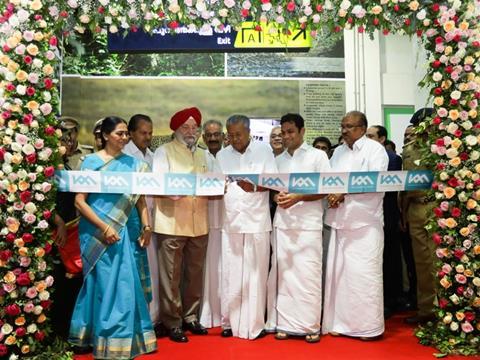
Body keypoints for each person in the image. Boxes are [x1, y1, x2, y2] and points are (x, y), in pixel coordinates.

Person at [69, 116, 156, 359]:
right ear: (106, 136)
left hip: (123, 231)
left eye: (127, 133)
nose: (125, 138)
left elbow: (140, 200)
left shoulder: (134, 164)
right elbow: (79, 202)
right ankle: (92, 336)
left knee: (123, 284)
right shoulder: (90, 163)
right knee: (98, 283)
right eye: (119, 134)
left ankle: (119, 338)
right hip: (96, 232)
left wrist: (147, 227)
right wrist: (103, 227)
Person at [323, 111, 388, 340]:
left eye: (349, 127)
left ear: (362, 128)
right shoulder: (338, 152)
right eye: (342, 126)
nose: (344, 131)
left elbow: (376, 182)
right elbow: (329, 178)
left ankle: (368, 328)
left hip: (365, 223)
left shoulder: (375, 150)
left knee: (365, 276)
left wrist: (344, 192)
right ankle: (342, 324)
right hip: (341, 221)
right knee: (341, 276)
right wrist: (332, 193)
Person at [266, 114, 330, 343]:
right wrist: (277, 197)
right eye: (283, 132)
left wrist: (298, 197)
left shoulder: (318, 156)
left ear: (302, 131)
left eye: (290, 131)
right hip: (283, 225)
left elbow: (326, 189)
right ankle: (284, 324)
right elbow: (272, 190)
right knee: (284, 274)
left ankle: (311, 325)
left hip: (309, 225)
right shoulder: (278, 160)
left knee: (309, 275)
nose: (286, 136)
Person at [216, 114, 277, 340]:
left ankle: (254, 323)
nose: (234, 139)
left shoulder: (264, 151)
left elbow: (274, 182)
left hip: (256, 221)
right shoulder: (221, 155)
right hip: (231, 220)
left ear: (249, 132)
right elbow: (214, 183)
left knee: (256, 273)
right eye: (230, 135)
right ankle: (229, 322)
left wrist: (252, 186)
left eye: (238, 135)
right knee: (231, 273)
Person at [152, 107, 209, 343]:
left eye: (195, 127)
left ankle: (190, 317)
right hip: (172, 223)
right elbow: (158, 183)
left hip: (199, 223)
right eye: (186, 127)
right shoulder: (163, 152)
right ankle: (172, 322)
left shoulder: (205, 155)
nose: (191, 131)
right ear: (175, 130)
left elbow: (215, 181)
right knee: (171, 276)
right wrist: (172, 190)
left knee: (194, 275)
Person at [122, 114, 162, 335]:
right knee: (135, 268)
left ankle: (152, 317)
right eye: (143, 133)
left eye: (150, 133)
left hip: (153, 217)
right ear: (131, 133)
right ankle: (136, 318)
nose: (148, 137)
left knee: (152, 267)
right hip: (131, 220)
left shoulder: (154, 156)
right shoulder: (125, 157)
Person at [400, 108, 436, 325]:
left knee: (437, 261)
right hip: (414, 208)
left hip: (435, 207)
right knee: (421, 263)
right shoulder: (409, 149)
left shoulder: (443, 148)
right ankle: (426, 310)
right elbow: (404, 185)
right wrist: (403, 213)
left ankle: (444, 309)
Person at [366, 125, 403, 317]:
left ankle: (392, 298)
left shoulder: (391, 158)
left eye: (371, 136)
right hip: (374, 211)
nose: (368, 139)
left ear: (382, 139)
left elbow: (389, 186)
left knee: (390, 257)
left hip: (387, 211)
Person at [199, 120, 224, 329]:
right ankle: (206, 316)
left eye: (217, 134)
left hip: (229, 223)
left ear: (223, 136)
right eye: (209, 135)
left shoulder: (230, 156)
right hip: (204, 222)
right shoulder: (198, 157)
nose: (213, 138)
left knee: (226, 269)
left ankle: (226, 314)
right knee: (207, 271)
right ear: (203, 137)